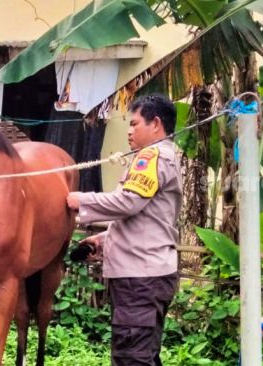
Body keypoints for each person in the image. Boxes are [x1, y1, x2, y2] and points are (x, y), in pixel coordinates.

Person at [66, 94, 182, 366]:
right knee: (142, 356)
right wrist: (105, 240)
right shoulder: (167, 156)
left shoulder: (151, 156)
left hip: (140, 280)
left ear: (156, 124)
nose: (129, 131)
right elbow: (148, 218)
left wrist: (80, 199)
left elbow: (128, 202)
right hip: (148, 275)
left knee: (132, 359)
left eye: (135, 123)